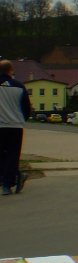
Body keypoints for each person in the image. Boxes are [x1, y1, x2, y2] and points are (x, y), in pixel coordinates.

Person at [0, 60, 32, 196]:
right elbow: (26, 107)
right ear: (10, 70)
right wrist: (22, 120)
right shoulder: (19, 86)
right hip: (15, 126)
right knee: (13, 154)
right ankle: (8, 183)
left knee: (1, 154)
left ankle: (6, 180)